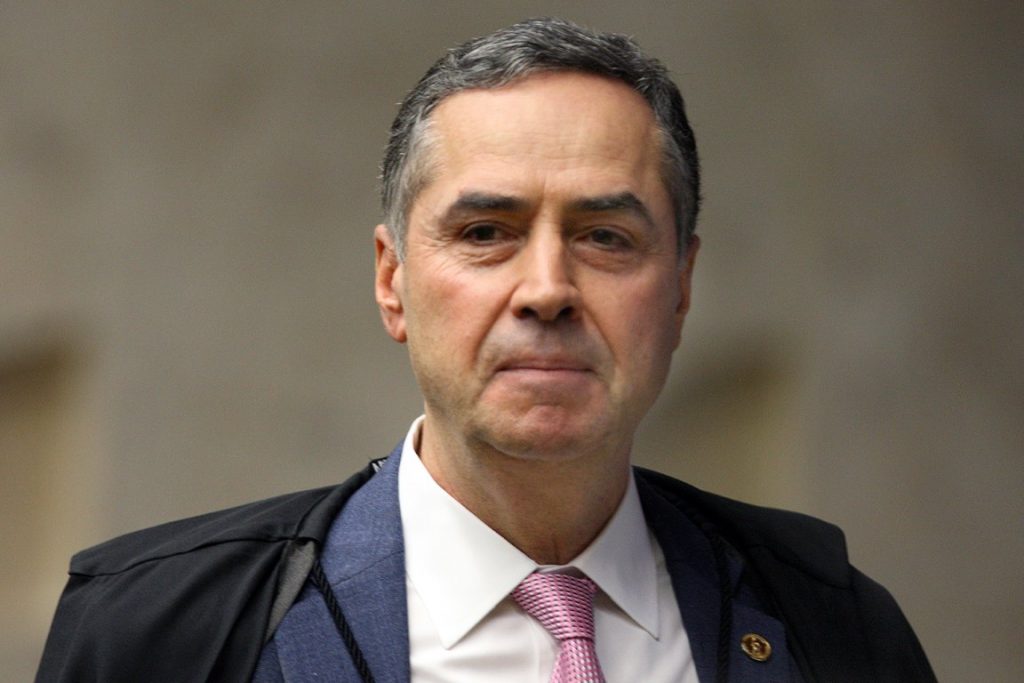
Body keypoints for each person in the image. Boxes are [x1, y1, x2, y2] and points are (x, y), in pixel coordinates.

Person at [35, 18, 935, 683]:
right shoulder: (157, 634)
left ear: (682, 287)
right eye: (485, 232)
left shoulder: (832, 627)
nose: (546, 288)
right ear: (392, 280)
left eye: (606, 237)